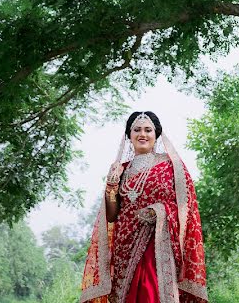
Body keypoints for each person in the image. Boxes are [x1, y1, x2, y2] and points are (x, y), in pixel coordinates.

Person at [80, 111, 208, 303]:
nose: (143, 134)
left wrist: (158, 211)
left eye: (148, 130)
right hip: (125, 246)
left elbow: (185, 207)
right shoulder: (120, 169)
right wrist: (111, 188)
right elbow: (112, 216)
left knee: (151, 291)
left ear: (156, 134)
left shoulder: (170, 166)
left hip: (157, 243)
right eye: (137, 130)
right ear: (129, 136)